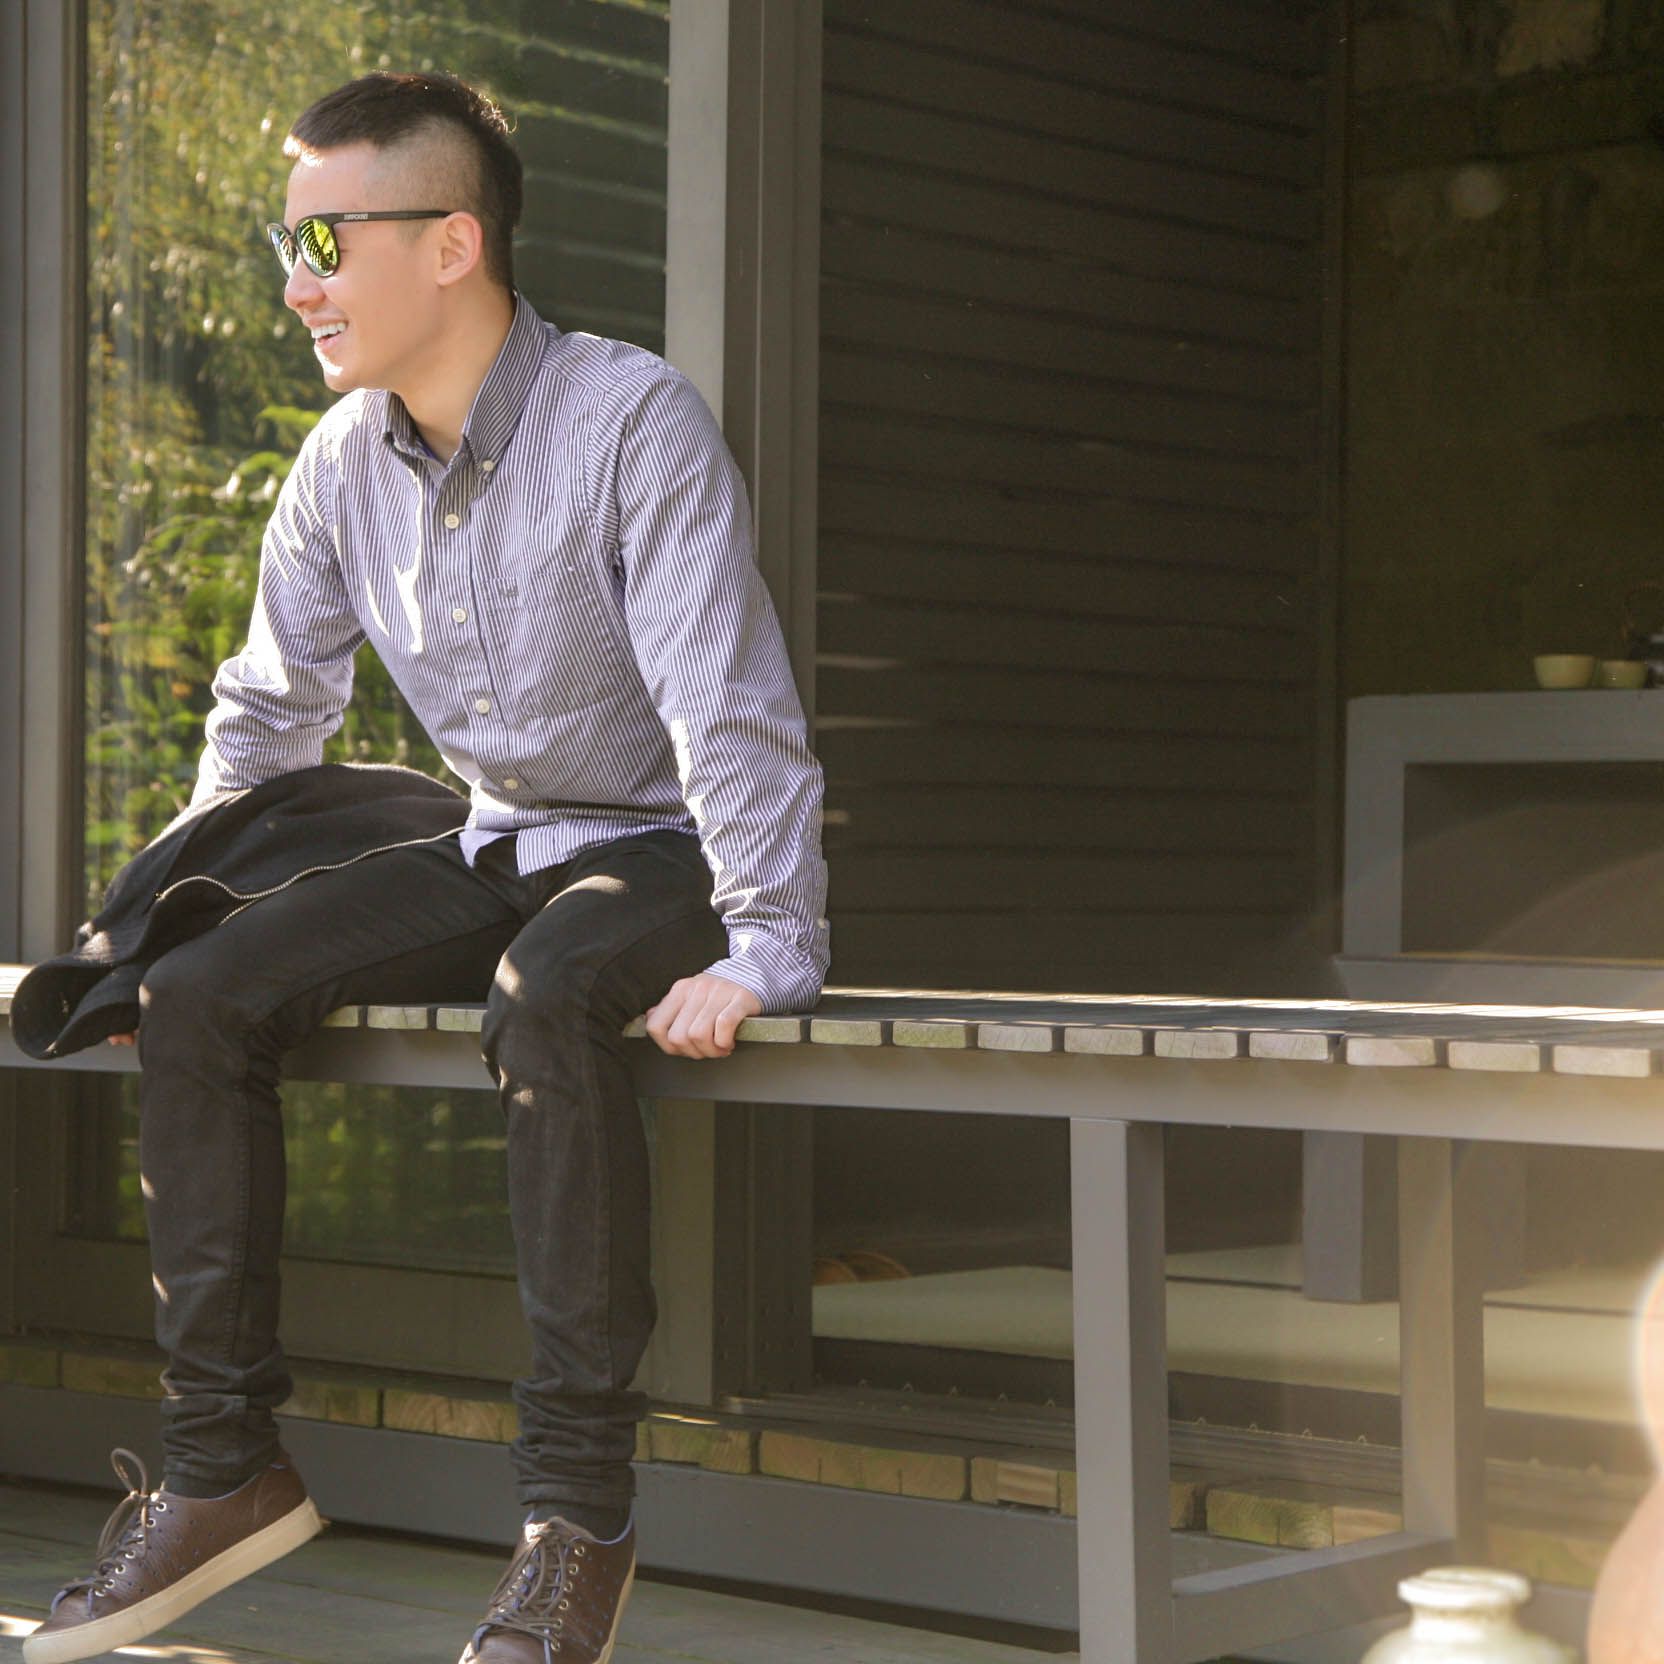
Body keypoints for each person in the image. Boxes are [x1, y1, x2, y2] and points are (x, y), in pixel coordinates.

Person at [25, 70, 827, 1664]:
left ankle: (574, 1520)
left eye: (325, 234)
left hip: (662, 848)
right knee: (195, 998)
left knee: (546, 1001)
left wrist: (766, 944)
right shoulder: (340, 462)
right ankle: (221, 1470)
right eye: (286, 235)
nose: (295, 274)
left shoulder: (626, 419)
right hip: (492, 838)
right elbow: (267, 717)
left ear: (453, 242)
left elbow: (722, 698)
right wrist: (160, 926)